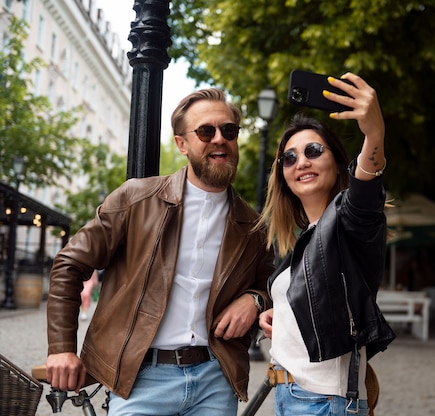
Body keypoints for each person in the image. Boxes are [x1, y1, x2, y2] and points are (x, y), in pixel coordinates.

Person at [46, 88, 275, 415]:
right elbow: (69, 265)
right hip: (141, 379)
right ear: (182, 143)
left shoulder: (254, 226)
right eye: (206, 131)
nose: (219, 139)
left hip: (215, 380)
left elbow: (274, 289)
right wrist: (61, 348)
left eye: (229, 130)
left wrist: (254, 301)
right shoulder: (135, 200)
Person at [258, 73, 396, 416]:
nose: (300, 161)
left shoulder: (349, 223)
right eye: (288, 158)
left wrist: (374, 134)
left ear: (336, 162)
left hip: (323, 403)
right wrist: (285, 312)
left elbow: (365, 194)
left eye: (313, 151)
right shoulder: (302, 242)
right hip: (290, 397)